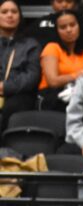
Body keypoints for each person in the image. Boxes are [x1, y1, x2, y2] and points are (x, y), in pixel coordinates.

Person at [38, 10, 83, 112]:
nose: (69, 30)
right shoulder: (52, 47)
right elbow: (53, 81)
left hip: (79, 94)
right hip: (51, 96)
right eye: (63, 27)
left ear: (79, 26)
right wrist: (80, 74)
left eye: (72, 25)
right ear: (57, 31)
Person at [0, 0, 41, 131]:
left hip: (19, 94)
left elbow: (32, 76)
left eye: (14, 12)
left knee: (14, 107)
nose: (10, 15)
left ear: (20, 16)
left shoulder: (31, 44)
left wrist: (5, 87)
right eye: (4, 12)